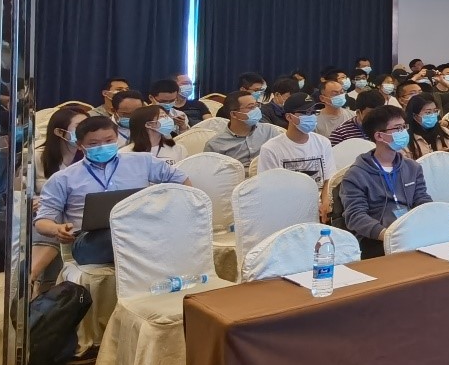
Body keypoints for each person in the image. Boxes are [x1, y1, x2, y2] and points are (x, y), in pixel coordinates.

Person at [35, 115, 189, 264]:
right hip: (89, 240)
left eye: (109, 140)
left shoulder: (143, 161)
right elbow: (42, 221)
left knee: (165, 228)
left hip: (140, 228)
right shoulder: (63, 178)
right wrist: (57, 229)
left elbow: (181, 179)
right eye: (94, 143)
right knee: (118, 236)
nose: (103, 146)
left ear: (117, 138)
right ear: (80, 145)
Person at [337, 105, 431, 258]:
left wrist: (427, 221)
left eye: (404, 127)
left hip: (412, 232)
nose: (403, 132)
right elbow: (355, 216)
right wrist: (388, 235)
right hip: (375, 239)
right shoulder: (355, 175)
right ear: (379, 136)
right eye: (397, 128)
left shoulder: (412, 167)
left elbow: (422, 200)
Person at [257, 94, 335, 190]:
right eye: (306, 112)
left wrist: (325, 199)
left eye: (314, 112)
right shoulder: (270, 149)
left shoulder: (323, 143)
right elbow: (268, 186)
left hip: (319, 197)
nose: (311, 116)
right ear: (289, 117)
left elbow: (329, 181)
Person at [204, 90, 281, 165]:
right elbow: (211, 171)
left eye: (257, 105)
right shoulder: (215, 144)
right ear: (234, 114)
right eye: (251, 107)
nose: (256, 110)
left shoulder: (270, 131)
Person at [403, 93, 449, 159]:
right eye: (428, 113)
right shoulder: (406, 139)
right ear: (415, 116)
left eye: (435, 111)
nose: (433, 115)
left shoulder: (444, 131)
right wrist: (438, 156)